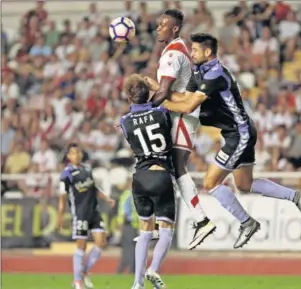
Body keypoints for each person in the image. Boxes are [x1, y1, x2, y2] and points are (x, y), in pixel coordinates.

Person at [161, 33, 301, 249]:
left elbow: (188, 107)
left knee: (210, 183)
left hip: (239, 133)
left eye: (194, 50)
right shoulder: (200, 71)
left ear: (207, 52)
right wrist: (161, 92)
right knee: (244, 184)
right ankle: (298, 197)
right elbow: (184, 99)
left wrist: (161, 103)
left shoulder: (215, 74)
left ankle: (247, 222)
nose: (191, 53)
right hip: (238, 132)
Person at [138, 9, 216, 250]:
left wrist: (139, 113)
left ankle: (201, 219)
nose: (158, 27)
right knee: (168, 167)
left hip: (182, 115)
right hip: (179, 114)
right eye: (158, 24)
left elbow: (163, 92)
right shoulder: (176, 49)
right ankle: (162, 224)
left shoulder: (173, 53)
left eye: (164, 25)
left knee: (176, 166)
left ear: (174, 28)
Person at [118, 74, 202, 289]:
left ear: (129, 97)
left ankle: (137, 283)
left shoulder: (124, 121)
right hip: (161, 174)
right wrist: (159, 89)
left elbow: (135, 121)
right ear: (149, 93)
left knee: (144, 230)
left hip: (140, 177)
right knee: (166, 228)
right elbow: (176, 106)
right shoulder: (162, 113)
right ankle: (153, 269)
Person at [57, 143, 115, 289]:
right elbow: (62, 197)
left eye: (78, 152)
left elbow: (93, 187)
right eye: (73, 153)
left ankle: (82, 272)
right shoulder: (66, 174)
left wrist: (106, 198)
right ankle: (78, 281)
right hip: (80, 214)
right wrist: (60, 216)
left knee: (101, 242)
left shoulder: (87, 169)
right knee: (81, 247)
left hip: (94, 212)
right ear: (69, 156)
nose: (76, 155)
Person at [117, 185, 139, 274]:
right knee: (133, 249)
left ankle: (124, 270)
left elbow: (124, 211)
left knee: (127, 248)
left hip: (128, 225)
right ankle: (130, 270)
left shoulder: (126, 195)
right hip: (135, 226)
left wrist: (121, 223)